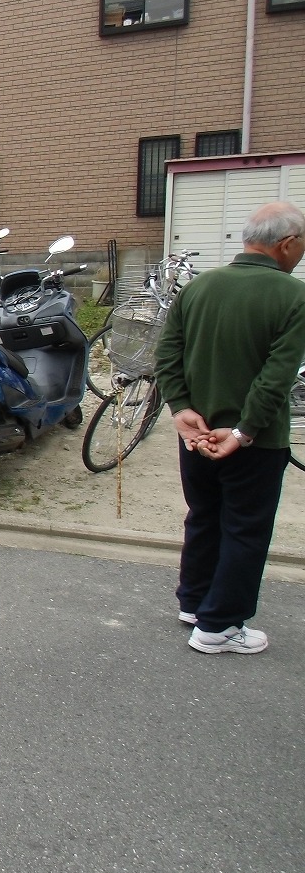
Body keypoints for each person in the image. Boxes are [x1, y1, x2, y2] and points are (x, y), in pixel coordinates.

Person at [154, 200, 305, 654]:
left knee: (204, 515)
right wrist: (243, 431)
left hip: (196, 434)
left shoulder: (199, 287)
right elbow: (277, 376)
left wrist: (181, 410)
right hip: (253, 443)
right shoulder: (293, 296)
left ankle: (195, 600)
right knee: (246, 528)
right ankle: (220, 625)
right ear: (288, 243)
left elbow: (167, 354)